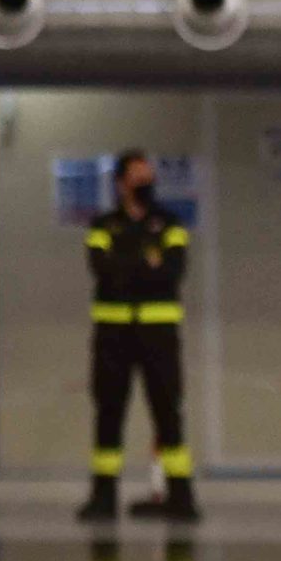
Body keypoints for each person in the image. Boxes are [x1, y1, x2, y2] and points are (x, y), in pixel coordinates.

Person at [76, 150, 198, 524]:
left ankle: (181, 496)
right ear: (121, 183)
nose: (146, 183)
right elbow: (101, 269)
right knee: (109, 412)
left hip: (158, 335)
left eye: (149, 176)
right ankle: (103, 496)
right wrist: (146, 262)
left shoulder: (170, 223)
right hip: (113, 336)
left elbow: (173, 272)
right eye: (138, 177)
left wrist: (127, 265)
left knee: (167, 413)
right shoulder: (103, 225)